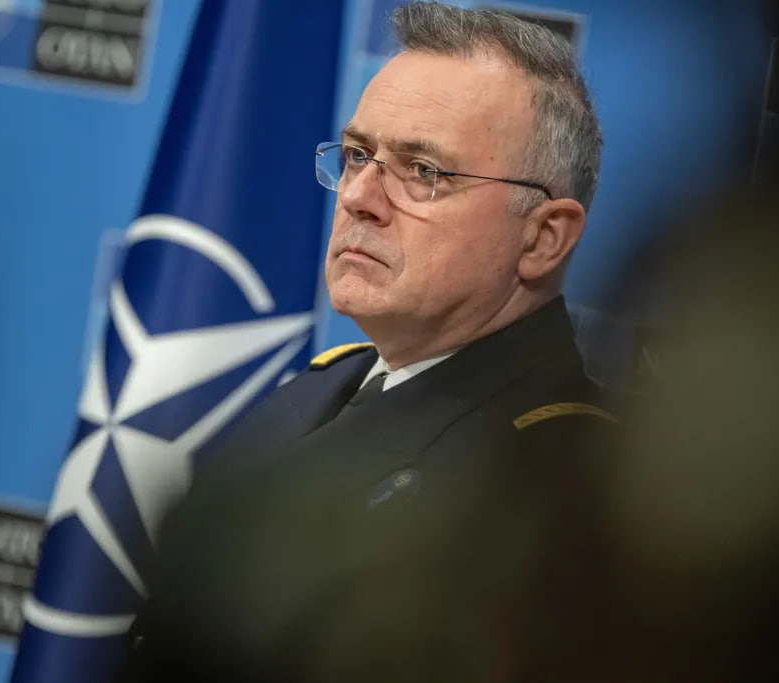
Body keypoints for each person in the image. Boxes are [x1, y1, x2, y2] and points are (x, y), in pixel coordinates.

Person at [117, 3, 618, 682]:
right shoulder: (317, 392)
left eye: (424, 171)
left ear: (543, 237)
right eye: (358, 156)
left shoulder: (558, 486)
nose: (359, 197)